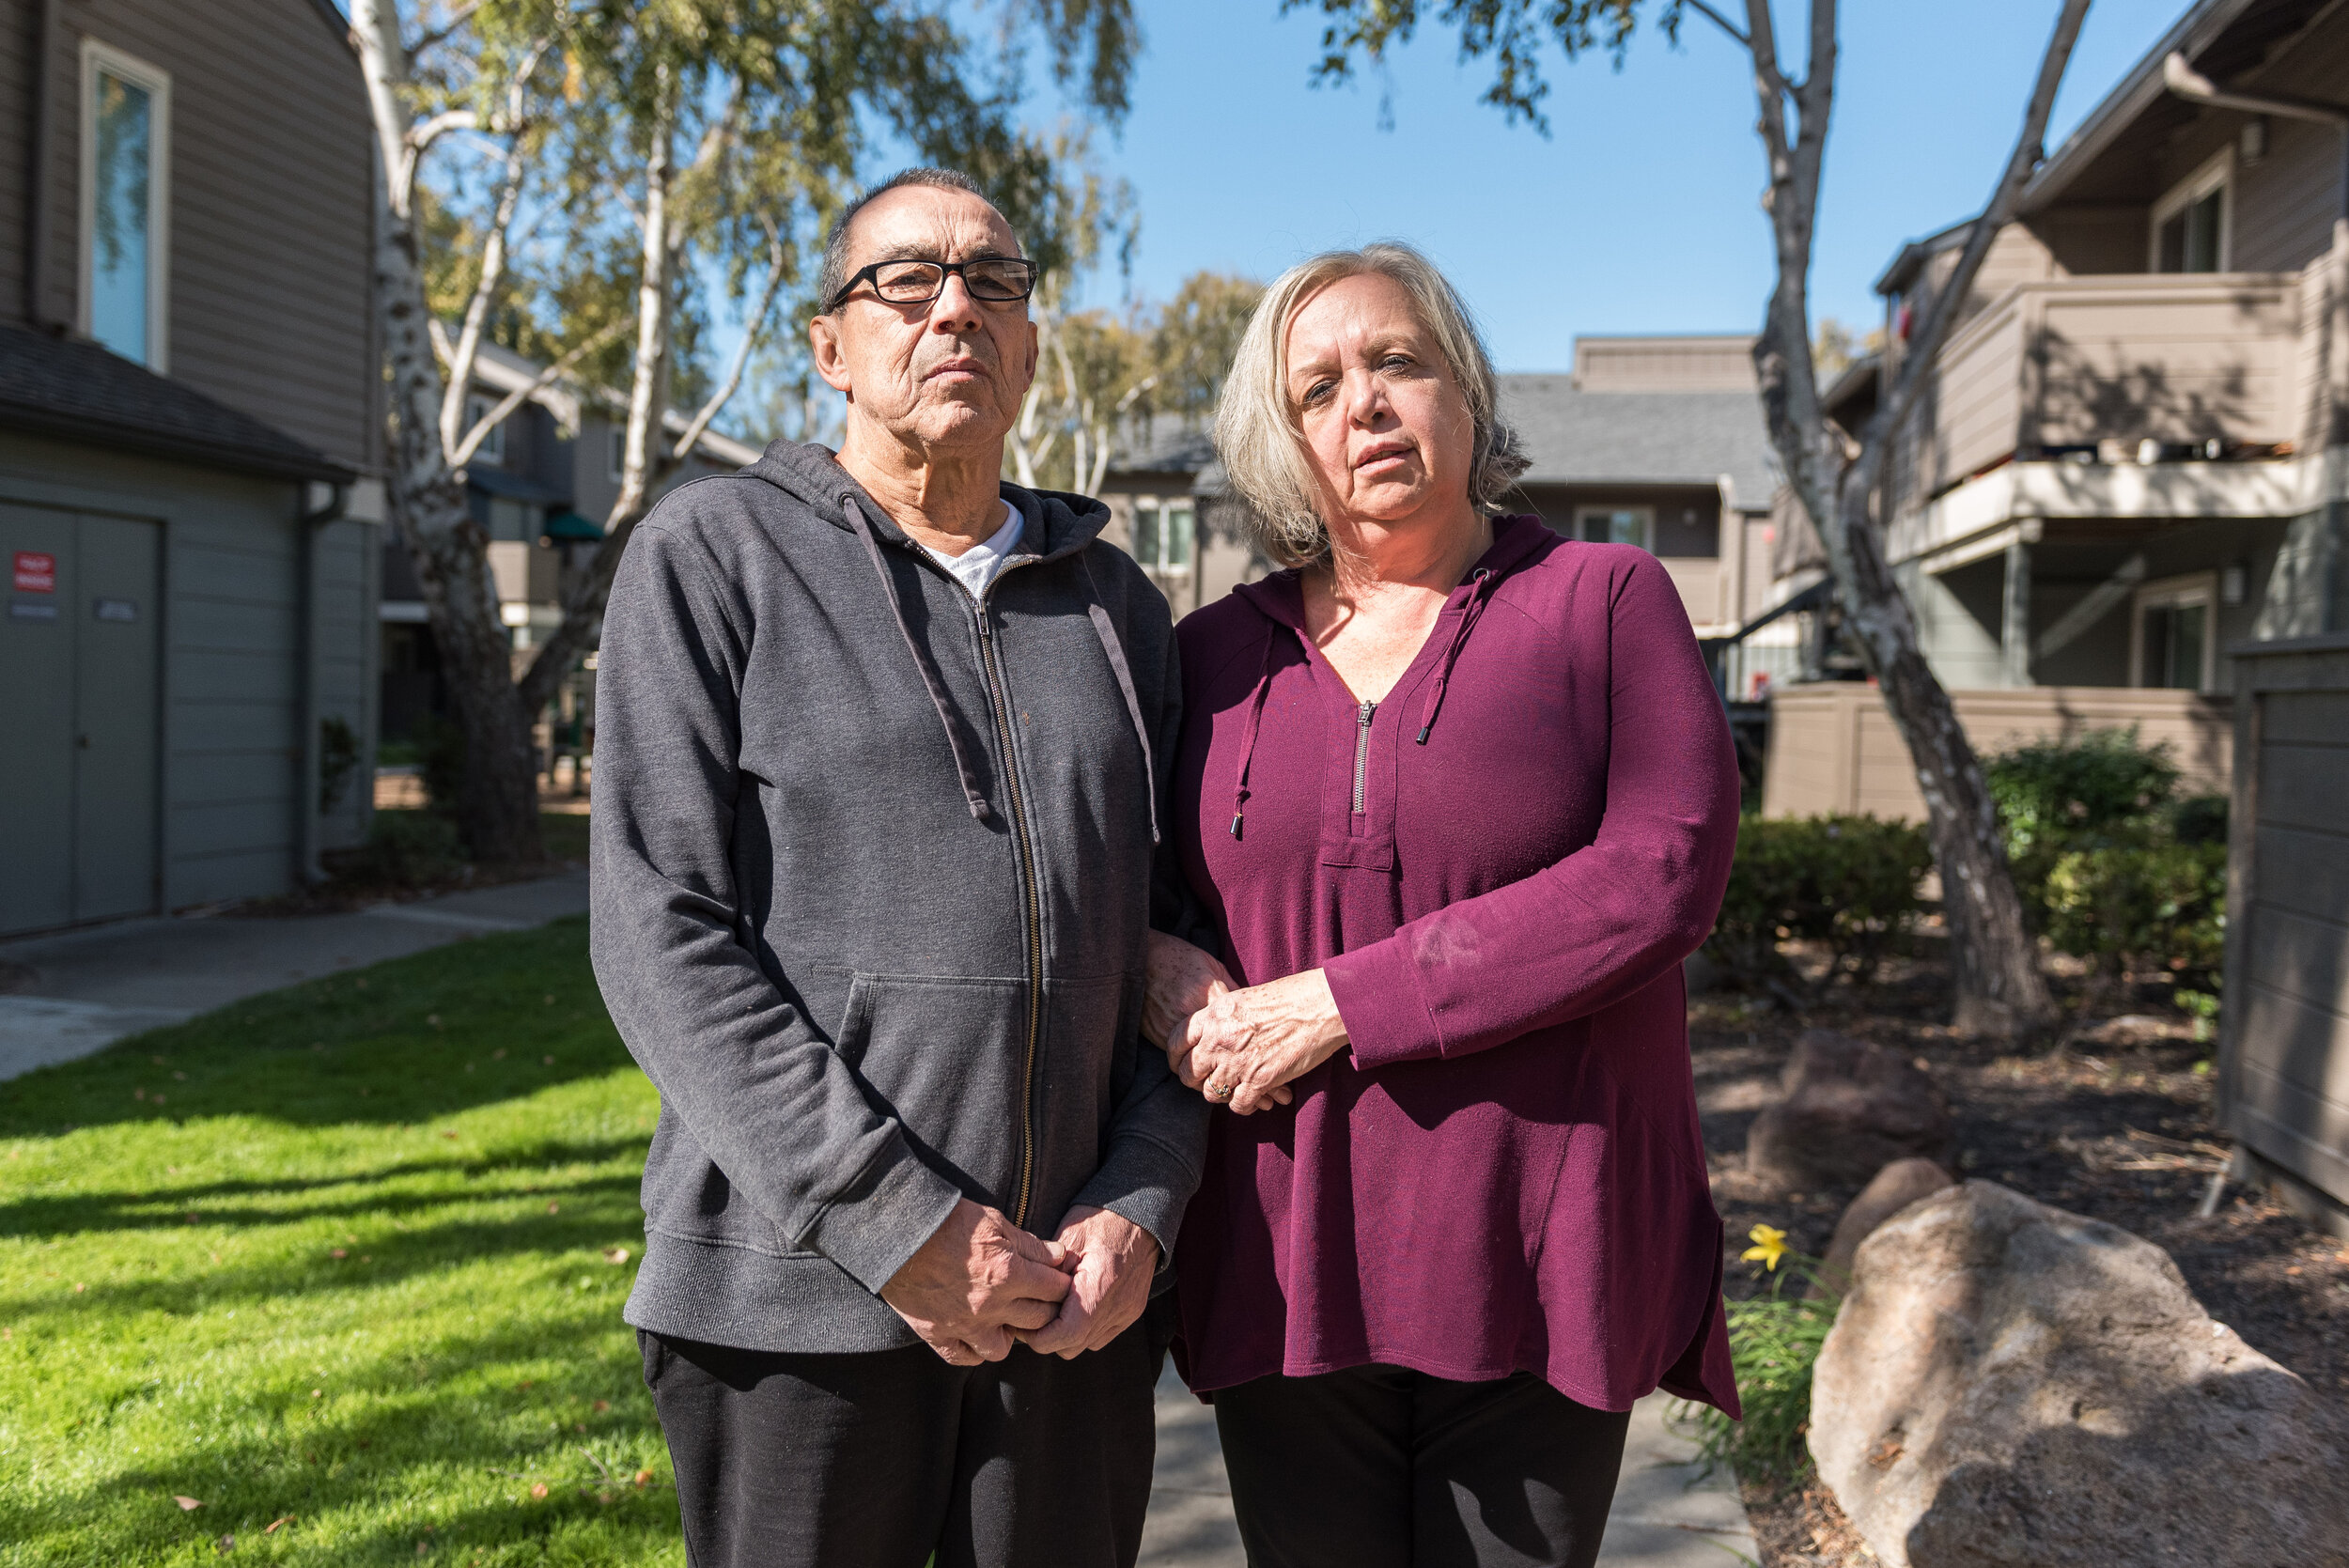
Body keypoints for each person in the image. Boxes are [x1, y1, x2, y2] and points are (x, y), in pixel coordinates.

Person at [590, 166, 1206, 1568]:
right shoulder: (714, 555)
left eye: (995, 283)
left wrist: (1146, 1199)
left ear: (1034, 348)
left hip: (1069, 1307)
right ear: (831, 347)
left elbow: (1182, 943)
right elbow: (657, 929)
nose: (956, 313)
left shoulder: (1117, 605)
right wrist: (896, 1221)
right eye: (906, 282)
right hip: (794, 1300)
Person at [1143, 241, 1743, 1568]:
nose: (1362, 403)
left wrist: (1340, 1003)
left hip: (1537, 1246)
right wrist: (1150, 966)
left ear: (1466, 394)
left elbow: (1663, 871)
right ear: (1277, 440)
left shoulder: (1602, 603)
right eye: (1317, 388)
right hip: (1288, 1249)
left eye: (1398, 362)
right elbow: (1136, 883)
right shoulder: (1209, 657)